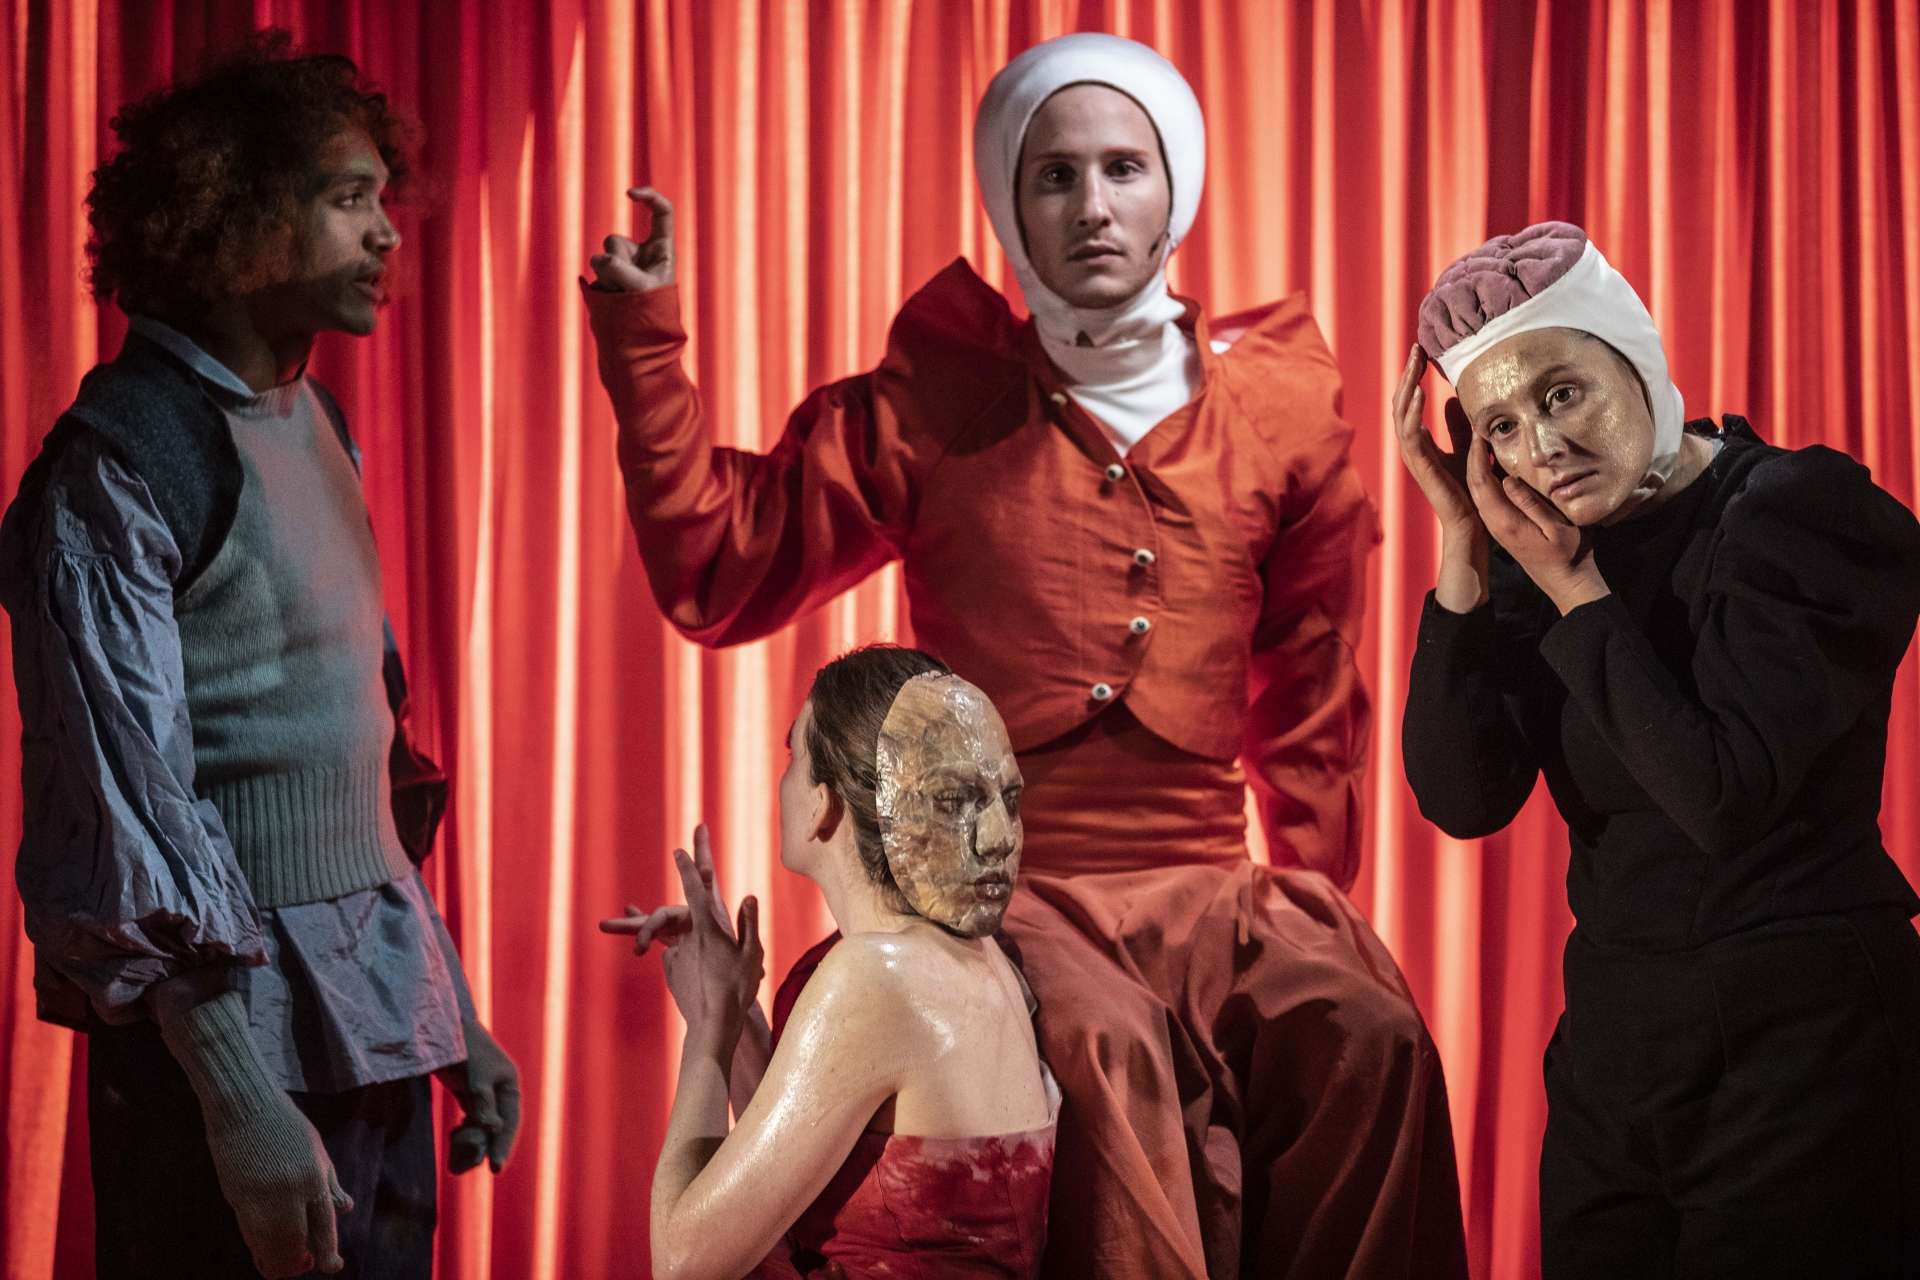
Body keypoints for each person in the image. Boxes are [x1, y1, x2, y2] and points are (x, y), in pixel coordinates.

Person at [583, 31, 1465, 1280]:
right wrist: (646, 346)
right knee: (1101, 1051)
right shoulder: (939, 401)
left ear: (1175, 188)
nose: (1092, 205)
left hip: (1208, 877)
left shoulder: (1276, 410)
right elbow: (720, 569)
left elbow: (1313, 688)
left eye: (1122, 168)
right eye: (1055, 175)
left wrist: (1316, 906)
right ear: (1009, 201)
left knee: (1366, 1030)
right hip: (1004, 885)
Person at [0, 34, 519, 1280]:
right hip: (231, 1058)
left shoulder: (314, 419)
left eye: (382, 197)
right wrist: (238, 1101)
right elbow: (127, 818)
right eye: (348, 198)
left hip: (372, 1023)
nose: (386, 232)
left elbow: (357, 765)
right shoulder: (120, 464)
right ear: (235, 217)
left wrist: (452, 1012)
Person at [1395, 219, 1920, 1277]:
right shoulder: (1544, 550)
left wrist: (1575, 591)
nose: (1542, 447)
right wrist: (1462, 544)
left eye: (1562, 393)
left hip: (1807, 1040)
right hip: (1617, 1045)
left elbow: (1720, 795)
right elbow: (1462, 797)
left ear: (1635, 361)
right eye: (1500, 427)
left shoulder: (1795, 515)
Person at [602, 645, 1056, 1279]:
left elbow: (683, 1263)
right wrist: (738, 1011)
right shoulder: (977, 959)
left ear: (823, 804)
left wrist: (710, 1025)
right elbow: (793, 1180)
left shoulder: (876, 978)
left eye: (792, 755)